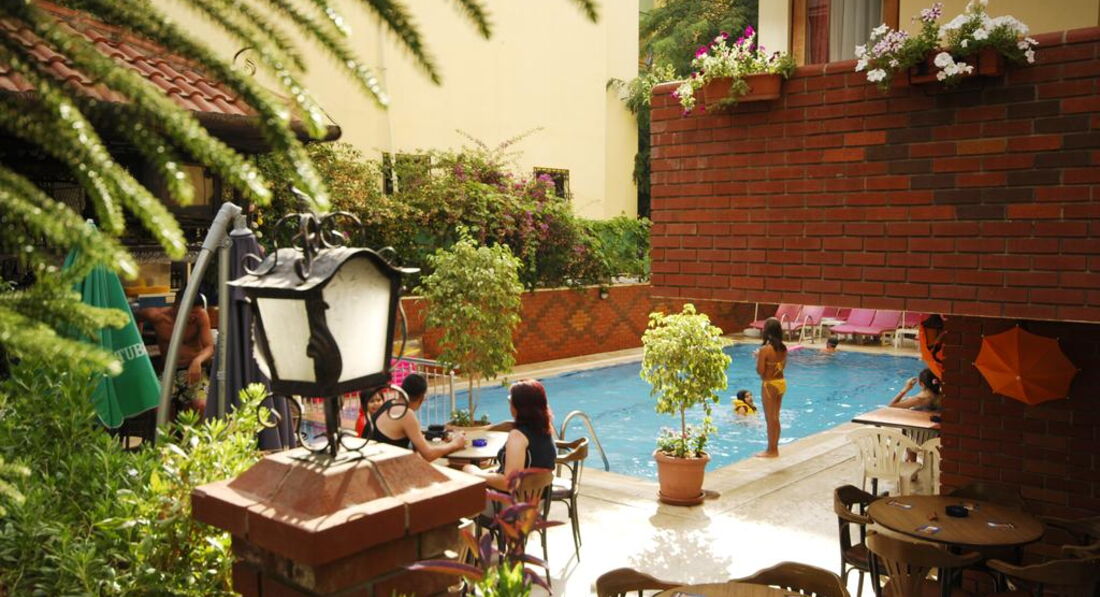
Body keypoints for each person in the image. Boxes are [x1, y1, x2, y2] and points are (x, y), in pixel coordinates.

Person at [463, 379, 556, 491]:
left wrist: (476, 473)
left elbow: (510, 483)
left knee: (465, 472)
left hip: (510, 500)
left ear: (519, 407)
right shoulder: (544, 429)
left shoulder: (518, 436)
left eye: (511, 400)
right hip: (539, 497)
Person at [138, 294, 213, 418]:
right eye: (190, 312)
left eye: (196, 312)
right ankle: (167, 430)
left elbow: (209, 347)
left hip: (195, 372)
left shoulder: (201, 315)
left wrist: (197, 361)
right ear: (176, 306)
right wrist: (138, 343)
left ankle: (195, 430)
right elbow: (134, 316)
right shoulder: (157, 316)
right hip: (169, 372)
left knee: (201, 405)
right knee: (158, 404)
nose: (193, 316)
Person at [369, 374, 466, 462]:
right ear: (422, 398)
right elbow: (428, 455)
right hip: (382, 469)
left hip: (370, 463)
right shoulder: (406, 414)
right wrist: (455, 443)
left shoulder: (389, 403)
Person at [756, 317, 787, 458]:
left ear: (767, 331)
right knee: (776, 417)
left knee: (770, 419)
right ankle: (775, 449)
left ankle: (771, 450)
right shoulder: (783, 348)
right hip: (781, 383)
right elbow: (781, 367)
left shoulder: (765, 350)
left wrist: (759, 358)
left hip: (769, 385)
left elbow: (760, 371)